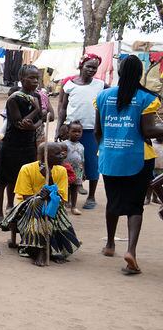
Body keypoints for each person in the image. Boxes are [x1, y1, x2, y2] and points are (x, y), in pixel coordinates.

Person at [95, 55, 163, 275]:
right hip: (138, 157)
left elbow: (98, 131)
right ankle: (131, 251)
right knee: (135, 206)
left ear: (120, 72)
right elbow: (149, 131)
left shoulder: (103, 96)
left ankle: (109, 246)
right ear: (140, 74)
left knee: (113, 201)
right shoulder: (146, 98)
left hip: (109, 156)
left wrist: (107, 147)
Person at [0, 142, 80, 266]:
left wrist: (50, 178)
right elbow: (26, 198)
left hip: (53, 208)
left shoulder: (62, 170)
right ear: (44, 156)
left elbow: (62, 200)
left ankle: (42, 248)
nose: (62, 155)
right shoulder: (27, 169)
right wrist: (40, 195)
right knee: (38, 202)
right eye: (57, 153)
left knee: (48, 206)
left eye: (62, 152)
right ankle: (43, 248)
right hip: (27, 208)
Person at [0, 65, 44, 222]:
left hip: (28, 145)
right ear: (22, 80)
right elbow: (19, 124)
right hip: (10, 145)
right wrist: (35, 110)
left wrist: (34, 125)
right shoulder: (14, 98)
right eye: (31, 78)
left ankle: (11, 206)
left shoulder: (36, 95)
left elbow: (41, 119)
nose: (35, 81)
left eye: (37, 78)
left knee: (19, 178)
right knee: (2, 179)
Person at [58, 54, 106, 208]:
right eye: (89, 66)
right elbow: (63, 107)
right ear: (81, 66)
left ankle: (91, 197)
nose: (92, 70)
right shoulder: (69, 85)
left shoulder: (100, 85)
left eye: (94, 68)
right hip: (70, 129)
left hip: (92, 130)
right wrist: (60, 126)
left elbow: (112, 97)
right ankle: (66, 195)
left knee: (92, 162)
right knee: (68, 161)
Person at [61, 121, 85, 216]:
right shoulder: (64, 144)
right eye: (74, 131)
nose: (77, 133)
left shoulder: (81, 146)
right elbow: (59, 156)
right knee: (65, 187)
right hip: (66, 170)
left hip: (78, 170)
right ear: (68, 132)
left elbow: (82, 160)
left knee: (75, 187)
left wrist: (83, 172)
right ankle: (63, 205)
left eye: (79, 131)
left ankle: (74, 207)